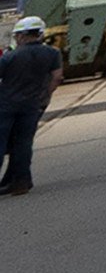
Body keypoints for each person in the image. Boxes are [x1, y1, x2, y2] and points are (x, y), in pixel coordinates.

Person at [0, 16, 58, 194]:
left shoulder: (11, 56)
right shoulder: (53, 53)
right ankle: (21, 182)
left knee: (1, 143)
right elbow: (57, 77)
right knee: (23, 144)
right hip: (32, 105)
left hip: (6, 105)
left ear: (22, 35)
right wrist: (45, 96)